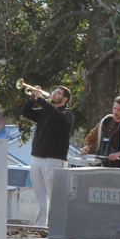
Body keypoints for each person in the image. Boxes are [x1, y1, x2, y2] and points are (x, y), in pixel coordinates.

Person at [19, 84, 73, 227]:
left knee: (55, 197)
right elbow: (25, 111)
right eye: (54, 92)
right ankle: (39, 227)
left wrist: (40, 99)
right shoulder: (44, 112)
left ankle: (57, 227)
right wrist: (31, 99)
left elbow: (55, 114)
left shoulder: (67, 114)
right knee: (40, 197)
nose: (54, 94)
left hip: (54, 160)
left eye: (58, 93)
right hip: (37, 158)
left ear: (65, 99)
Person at [81, 96, 120, 169]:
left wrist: (118, 154)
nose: (115, 112)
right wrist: (87, 146)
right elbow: (92, 136)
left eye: (119, 110)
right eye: (114, 108)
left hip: (119, 167)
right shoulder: (106, 121)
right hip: (101, 165)